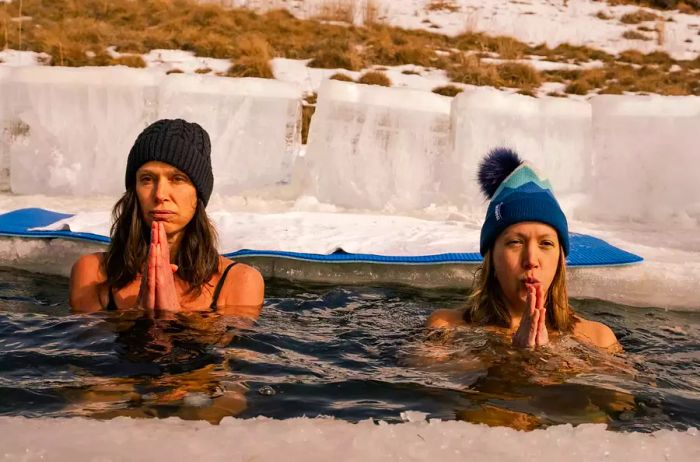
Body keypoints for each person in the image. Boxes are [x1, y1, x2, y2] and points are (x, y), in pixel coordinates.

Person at [426, 148, 619, 351]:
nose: (531, 260)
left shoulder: (599, 339)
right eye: (515, 242)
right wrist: (517, 356)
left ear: (560, 258)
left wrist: (541, 357)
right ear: (492, 256)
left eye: (546, 244)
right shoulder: (445, 328)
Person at [69, 119, 264, 315]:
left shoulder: (239, 282)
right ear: (133, 191)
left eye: (177, 179)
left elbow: (235, 344)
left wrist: (170, 317)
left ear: (199, 194)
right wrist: (141, 316)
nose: (160, 194)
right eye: (147, 179)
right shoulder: (93, 273)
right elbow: (87, 343)